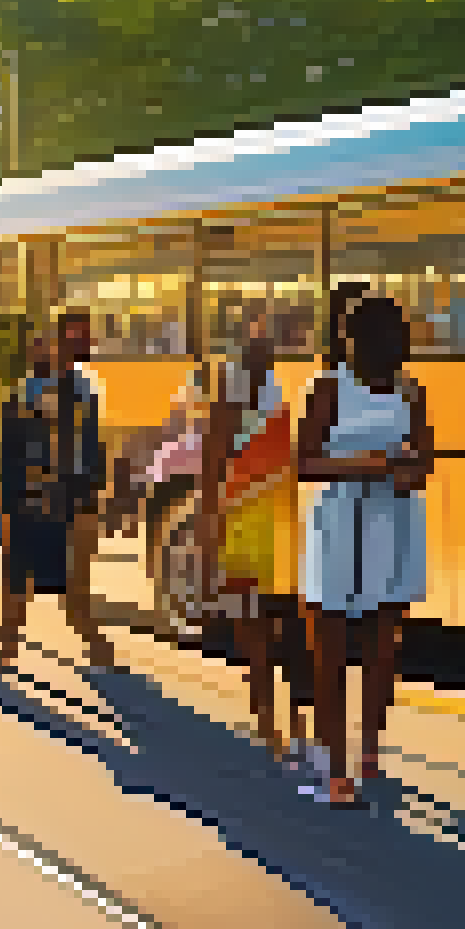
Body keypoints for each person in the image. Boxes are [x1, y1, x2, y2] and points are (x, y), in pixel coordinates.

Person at [296, 295, 434, 807]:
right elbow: (304, 463)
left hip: (388, 524)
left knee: (376, 650)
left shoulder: (410, 391)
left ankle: (363, 756)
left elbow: (424, 464)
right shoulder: (329, 389)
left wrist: (396, 471)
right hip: (342, 523)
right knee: (341, 652)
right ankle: (340, 767)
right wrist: (371, 466)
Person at [201, 310, 305, 766]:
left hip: (275, 516)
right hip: (246, 516)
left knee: (282, 623)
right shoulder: (236, 384)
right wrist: (212, 519)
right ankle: (268, 716)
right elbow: (215, 453)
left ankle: (288, 720)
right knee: (257, 623)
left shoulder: (275, 384)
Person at [0, 325, 110, 670]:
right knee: (17, 581)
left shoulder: (82, 391)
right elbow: (11, 453)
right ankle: (8, 649)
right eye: (37, 345)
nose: (43, 351)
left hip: (71, 498)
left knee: (75, 588)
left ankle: (94, 644)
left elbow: (92, 447)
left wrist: (92, 496)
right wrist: (9, 505)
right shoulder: (21, 395)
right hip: (31, 498)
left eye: (48, 345)